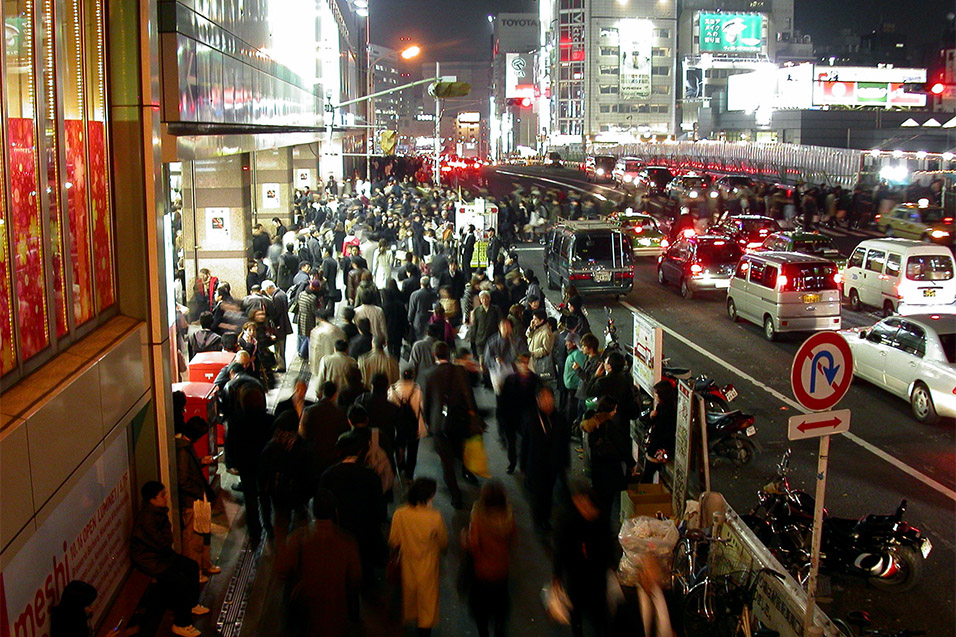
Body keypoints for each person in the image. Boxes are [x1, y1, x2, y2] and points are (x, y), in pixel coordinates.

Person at [275, 489, 361, 637]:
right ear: (335, 512)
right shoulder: (347, 541)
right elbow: (355, 577)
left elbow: (282, 569)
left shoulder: (298, 538)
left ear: (312, 511)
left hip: (306, 615)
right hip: (335, 614)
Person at [130, 481, 208, 637]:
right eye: (162, 495)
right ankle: (181, 622)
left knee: (191, 566)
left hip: (161, 556)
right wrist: (167, 535)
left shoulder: (157, 513)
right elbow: (162, 542)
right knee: (180, 581)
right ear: (152, 500)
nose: (165, 498)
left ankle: (191, 604)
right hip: (151, 560)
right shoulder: (147, 519)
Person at [319, 433, 386, 592]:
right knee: (365, 566)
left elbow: (322, 505)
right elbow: (379, 507)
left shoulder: (328, 475)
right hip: (365, 530)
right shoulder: (370, 476)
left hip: (339, 529)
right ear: (360, 452)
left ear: (339, 452)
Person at [388, 478, 448, 637]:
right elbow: (443, 541)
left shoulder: (400, 514)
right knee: (427, 606)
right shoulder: (435, 517)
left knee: (411, 600)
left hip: (408, 565)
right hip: (428, 567)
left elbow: (394, 540)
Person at [422, 341, 478, 509]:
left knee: (447, 463)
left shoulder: (429, 374)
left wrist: (428, 422)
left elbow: (427, 402)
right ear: (449, 355)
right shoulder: (459, 371)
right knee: (460, 450)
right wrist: (473, 413)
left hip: (439, 424)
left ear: (435, 355)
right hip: (458, 421)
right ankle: (467, 472)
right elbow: (468, 394)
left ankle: (456, 495)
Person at [553, 480, 612, 637]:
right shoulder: (567, 521)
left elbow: (608, 545)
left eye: (586, 503)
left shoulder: (600, 519)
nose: (584, 508)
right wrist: (557, 575)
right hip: (576, 574)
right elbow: (560, 550)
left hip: (596, 574)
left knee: (599, 609)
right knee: (576, 608)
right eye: (579, 503)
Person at [462, 480, 516, 637]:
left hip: (482, 570)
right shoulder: (509, 516)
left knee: (481, 610)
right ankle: (499, 631)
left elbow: (473, 545)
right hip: (502, 569)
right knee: (500, 607)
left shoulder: (478, 516)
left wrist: (464, 538)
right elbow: (513, 540)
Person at [258, 409, 312, 548]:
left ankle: (282, 561)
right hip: (298, 499)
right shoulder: (303, 447)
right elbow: (308, 475)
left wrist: (266, 519)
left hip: (279, 499)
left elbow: (263, 482)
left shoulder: (271, 448)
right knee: (300, 536)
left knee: (281, 534)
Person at [175, 416, 219, 580]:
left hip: (197, 498)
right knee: (193, 537)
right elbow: (183, 480)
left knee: (202, 533)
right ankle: (195, 571)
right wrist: (198, 493)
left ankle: (204, 564)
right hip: (192, 501)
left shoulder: (184, 447)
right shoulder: (183, 451)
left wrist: (201, 461)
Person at [525, 385, 570, 533]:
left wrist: (565, 462)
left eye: (549, 398)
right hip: (536, 464)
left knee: (549, 492)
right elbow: (525, 444)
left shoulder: (560, 418)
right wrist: (524, 466)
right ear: (538, 400)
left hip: (553, 464)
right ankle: (540, 519)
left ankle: (546, 516)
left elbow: (565, 442)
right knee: (539, 494)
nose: (547, 401)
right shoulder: (531, 419)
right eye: (543, 398)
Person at [299, 381, 351, 485]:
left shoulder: (308, 411)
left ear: (322, 393)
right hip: (332, 458)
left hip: (313, 457)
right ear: (335, 395)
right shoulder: (340, 413)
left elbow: (302, 433)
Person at [499, 353, 541, 474]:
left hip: (527, 417)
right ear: (517, 365)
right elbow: (503, 400)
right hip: (511, 416)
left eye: (527, 362)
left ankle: (524, 464)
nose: (525, 365)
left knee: (525, 442)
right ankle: (512, 462)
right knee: (511, 442)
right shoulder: (510, 380)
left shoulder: (535, 380)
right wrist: (502, 419)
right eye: (522, 362)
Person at [389, 368, 426, 481]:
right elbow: (423, 408)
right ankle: (410, 475)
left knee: (399, 447)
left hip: (398, 427)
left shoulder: (393, 389)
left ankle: (400, 468)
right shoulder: (417, 390)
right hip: (414, 426)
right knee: (412, 451)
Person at [641, 380, 678, 484]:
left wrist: (652, 418)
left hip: (657, 449)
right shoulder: (665, 407)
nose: (655, 395)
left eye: (656, 393)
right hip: (660, 448)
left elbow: (660, 432)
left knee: (647, 476)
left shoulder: (666, 412)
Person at [470, 291, 502, 363]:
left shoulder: (495, 309)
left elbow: (500, 322)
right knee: (482, 362)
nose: (484, 300)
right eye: (482, 298)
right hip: (481, 339)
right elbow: (474, 326)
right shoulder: (476, 311)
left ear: (489, 299)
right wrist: (472, 337)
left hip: (493, 338)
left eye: (486, 298)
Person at [408, 276, 437, 341]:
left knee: (419, 339)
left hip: (418, 321)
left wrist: (410, 319)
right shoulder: (433, 294)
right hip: (430, 319)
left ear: (420, 284)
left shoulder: (414, 294)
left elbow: (412, 309)